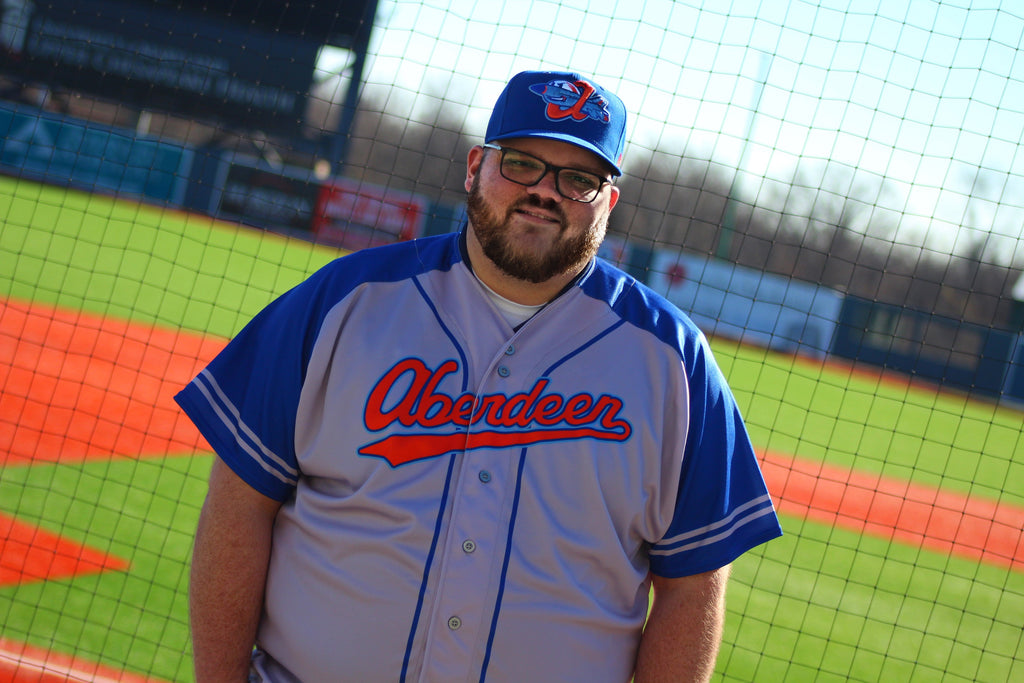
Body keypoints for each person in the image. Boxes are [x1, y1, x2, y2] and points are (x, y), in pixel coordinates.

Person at [177, 69, 783, 683]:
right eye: (521, 162)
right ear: (475, 167)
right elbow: (238, 508)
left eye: (579, 179)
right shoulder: (342, 302)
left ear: (610, 202)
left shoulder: (673, 361)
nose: (545, 191)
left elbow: (692, 590)